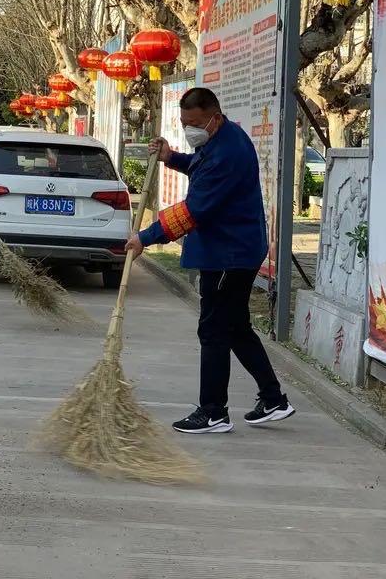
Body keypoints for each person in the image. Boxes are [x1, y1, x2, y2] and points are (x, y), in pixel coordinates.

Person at [125, 87, 294, 434]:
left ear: (214, 117)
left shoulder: (228, 152)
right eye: (184, 123)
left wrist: (145, 237)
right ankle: (274, 399)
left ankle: (213, 411)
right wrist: (172, 158)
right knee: (235, 327)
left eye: (195, 123)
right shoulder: (217, 141)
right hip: (234, 250)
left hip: (229, 254)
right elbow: (199, 168)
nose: (190, 130)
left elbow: (194, 211)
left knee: (214, 329)